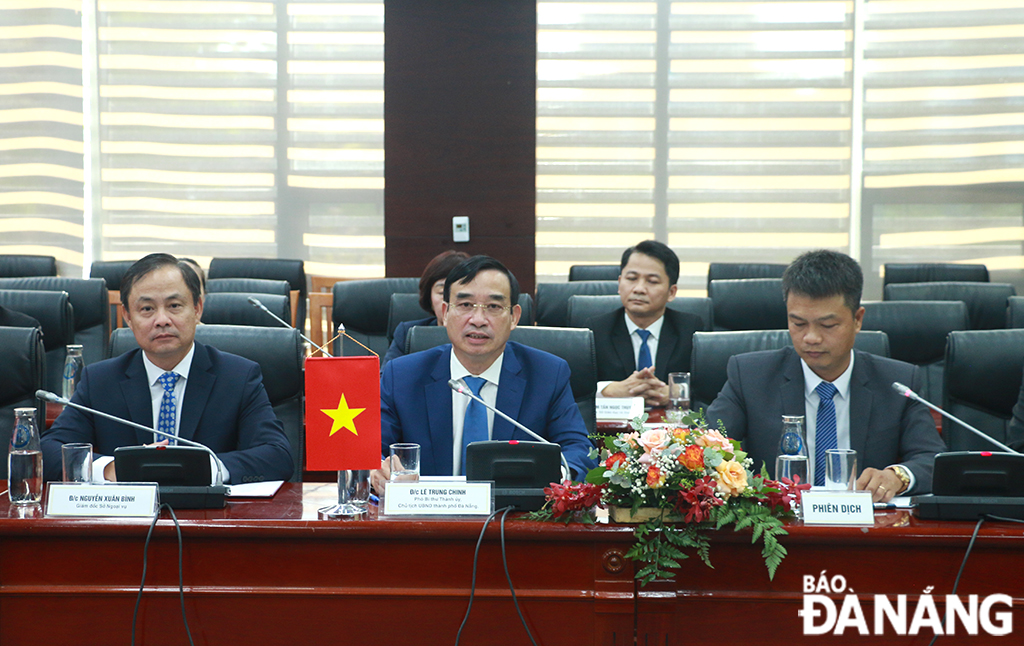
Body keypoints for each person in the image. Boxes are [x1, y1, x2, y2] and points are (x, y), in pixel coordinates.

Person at [705, 249, 946, 503]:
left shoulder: (896, 382)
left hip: (864, 530)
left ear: (857, 319)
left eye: (828, 325)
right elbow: (704, 449)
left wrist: (897, 477)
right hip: (777, 529)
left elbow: (932, 459)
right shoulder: (750, 376)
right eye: (798, 324)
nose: (811, 338)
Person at [40, 253, 293, 483]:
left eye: (174, 306)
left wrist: (205, 468)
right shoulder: (101, 380)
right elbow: (50, 451)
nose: (162, 320)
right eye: (147, 309)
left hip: (208, 522)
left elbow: (277, 456)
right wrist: (111, 469)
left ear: (197, 309)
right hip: (125, 524)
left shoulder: (238, 377)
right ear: (128, 317)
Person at [375, 255, 596, 491]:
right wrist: (377, 469)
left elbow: (580, 450)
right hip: (428, 519)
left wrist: (555, 477)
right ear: (445, 312)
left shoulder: (547, 374)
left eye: (493, 307)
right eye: (465, 305)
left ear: (514, 317)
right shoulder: (402, 376)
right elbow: (371, 449)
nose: (478, 320)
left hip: (516, 519)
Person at [589, 240, 702, 406]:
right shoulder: (595, 330)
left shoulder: (691, 330)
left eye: (652, 281)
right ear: (620, 284)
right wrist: (608, 390)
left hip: (671, 427)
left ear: (671, 292)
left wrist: (678, 392)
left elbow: (710, 387)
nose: (639, 289)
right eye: (632, 278)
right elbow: (577, 387)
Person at [382, 250, 469, 366]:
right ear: (429, 298)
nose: (449, 302)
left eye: (460, 294)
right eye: (442, 292)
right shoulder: (408, 334)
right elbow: (386, 379)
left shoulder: (484, 334)